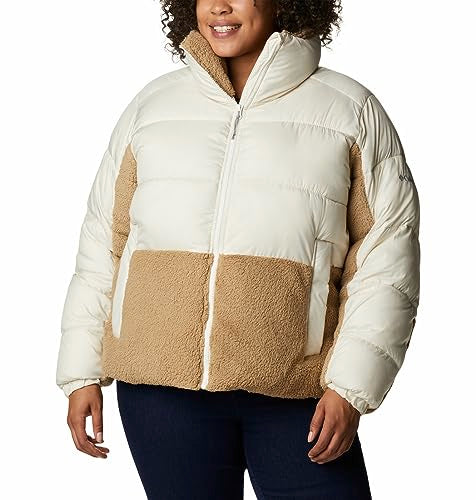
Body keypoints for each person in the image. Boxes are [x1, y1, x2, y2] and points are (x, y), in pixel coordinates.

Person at [56, 0, 420, 498]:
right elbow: (104, 243)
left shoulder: (349, 111)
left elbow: (386, 257)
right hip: (161, 392)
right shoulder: (152, 108)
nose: (220, 6)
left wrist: (351, 387)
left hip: (298, 391)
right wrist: (81, 372)